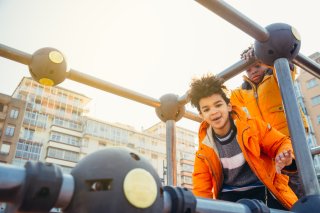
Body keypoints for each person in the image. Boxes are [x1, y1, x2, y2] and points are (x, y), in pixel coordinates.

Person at [189, 74, 298, 210]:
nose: (214, 112)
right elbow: (201, 188)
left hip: (262, 187)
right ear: (202, 115)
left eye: (218, 105)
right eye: (206, 109)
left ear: (229, 106)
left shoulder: (251, 127)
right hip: (230, 196)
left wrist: (285, 156)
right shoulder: (204, 149)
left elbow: (280, 142)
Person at [230, 46, 307, 198]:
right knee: (279, 183)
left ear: (265, 63)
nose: (253, 71)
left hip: (290, 135)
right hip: (269, 142)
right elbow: (226, 98)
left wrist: (265, 52)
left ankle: (308, 204)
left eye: (257, 65)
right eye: (248, 69)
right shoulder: (244, 91)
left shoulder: (275, 75)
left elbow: (289, 68)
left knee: (297, 178)